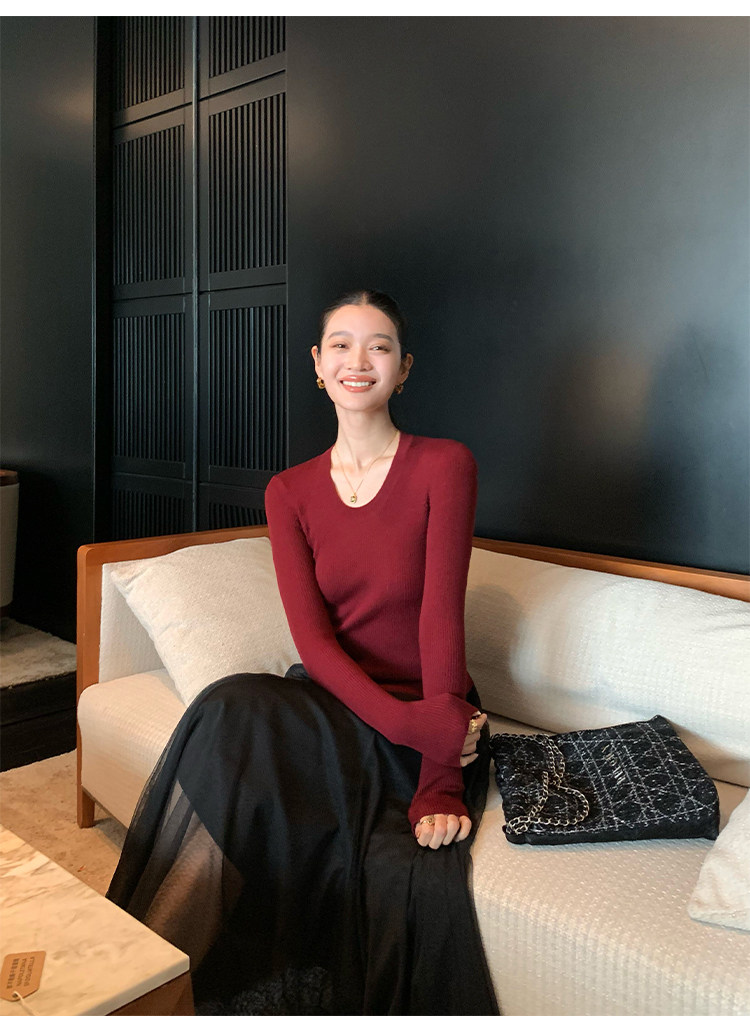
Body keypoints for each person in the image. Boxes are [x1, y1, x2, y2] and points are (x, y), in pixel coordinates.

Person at [107, 290, 500, 1016]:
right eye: (341, 345)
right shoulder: (288, 491)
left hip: (427, 716)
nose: (359, 360)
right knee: (229, 708)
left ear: (403, 368)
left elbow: (441, 620)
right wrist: (405, 724)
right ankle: (141, 990)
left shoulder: (445, 465)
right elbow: (314, 644)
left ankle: (158, 992)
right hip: (339, 706)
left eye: (379, 345)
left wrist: (440, 771)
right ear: (318, 365)